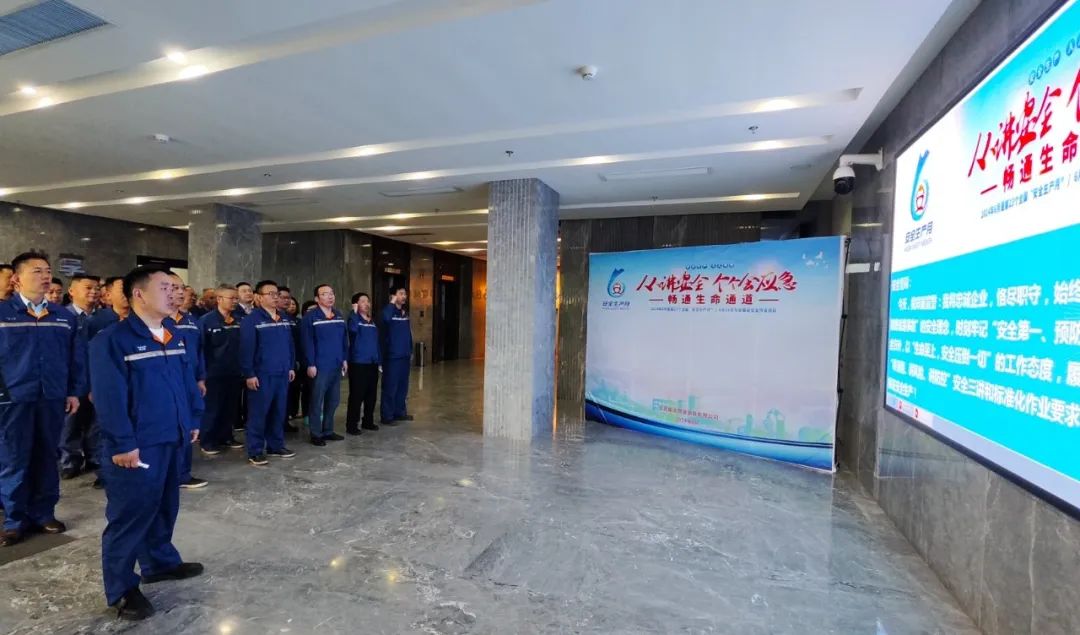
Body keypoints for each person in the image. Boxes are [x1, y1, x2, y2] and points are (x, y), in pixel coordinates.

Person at [89, 266, 205, 620]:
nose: (175, 293)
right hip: (137, 445)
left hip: (172, 436)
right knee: (130, 516)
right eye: (165, 287)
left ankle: (159, 562)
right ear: (138, 294)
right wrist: (123, 444)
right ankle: (121, 589)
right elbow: (109, 398)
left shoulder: (173, 333)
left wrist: (192, 420)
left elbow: (186, 382)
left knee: (165, 505)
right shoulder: (112, 340)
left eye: (177, 287)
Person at [0, 252, 85, 547]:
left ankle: (44, 513)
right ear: (16, 278)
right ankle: (14, 520)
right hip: (12, 399)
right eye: (37, 271)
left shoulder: (63, 317)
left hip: (52, 396)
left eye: (47, 271)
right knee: (14, 458)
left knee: (47, 455)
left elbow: (76, 358)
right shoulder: (3, 314)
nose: (46, 276)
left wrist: (73, 390)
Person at [239, 280, 296, 466]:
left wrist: (290, 366)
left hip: (282, 372)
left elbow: (289, 345)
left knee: (278, 412)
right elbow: (246, 349)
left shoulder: (283, 318)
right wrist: (249, 374)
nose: (275, 297)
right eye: (270, 294)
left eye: (276, 294)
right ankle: (255, 450)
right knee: (258, 414)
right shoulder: (252, 320)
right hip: (262, 374)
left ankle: (275, 445)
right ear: (258, 297)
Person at [165, 273, 208, 490]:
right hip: (167, 383)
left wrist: (200, 378)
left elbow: (199, 351)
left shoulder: (191, 321)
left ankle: (183, 473)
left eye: (182, 288)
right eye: (174, 288)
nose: (181, 292)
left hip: (189, 380)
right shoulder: (157, 322)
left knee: (188, 424)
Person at [59, 274, 101, 482]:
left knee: (96, 423)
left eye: (96, 288)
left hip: (97, 379)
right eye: (88, 288)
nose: (93, 292)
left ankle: (95, 458)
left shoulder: (102, 318)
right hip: (72, 380)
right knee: (71, 423)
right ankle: (70, 461)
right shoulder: (62, 317)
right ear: (72, 291)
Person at [198, 285, 245, 454]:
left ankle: (226, 436)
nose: (235, 301)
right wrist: (201, 375)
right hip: (213, 373)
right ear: (219, 299)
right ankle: (207, 440)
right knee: (212, 408)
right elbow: (200, 349)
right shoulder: (206, 321)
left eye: (236, 298)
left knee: (230, 407)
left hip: (234, 371)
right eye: (231, 298)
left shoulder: (239, 319)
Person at [300, 284, 348, 446]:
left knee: (333, 400)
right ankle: (316, 433)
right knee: (317, 400)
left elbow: (343, 339)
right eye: (325, 294)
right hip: (319, 366)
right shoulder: (310, 318)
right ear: (317, 298)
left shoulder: (338, 315)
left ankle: (328, 430)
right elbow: (307, 342)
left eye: (332, 293)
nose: (330, 296)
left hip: (336, 364)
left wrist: (344, 359)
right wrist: (310, 364)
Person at [346, 292, 381, 435]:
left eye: (368, 301)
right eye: (362, 301)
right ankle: (352, 425)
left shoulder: (372, 321)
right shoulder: (353, 319)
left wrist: (379, 360)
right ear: (355, 304)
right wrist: (354, 313)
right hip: (358, 363)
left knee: (371, 394)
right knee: (357, 395)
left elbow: (376, 342)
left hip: (372, 362)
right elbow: (352, 330)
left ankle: (368, 421)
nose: (366, 304)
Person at [380, 286, 414, 425]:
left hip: (404, 355)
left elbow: (408, 333)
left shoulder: (404, 313)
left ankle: (399, 412)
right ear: (393, 296)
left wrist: (410, 350)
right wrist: (392, 303)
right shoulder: (388, 312)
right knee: (390, 386)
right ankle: (387, 416)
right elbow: (385, 319)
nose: (404, 296)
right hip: (392, 356)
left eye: (405, 294)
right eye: (401, 294)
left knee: (402, 386)